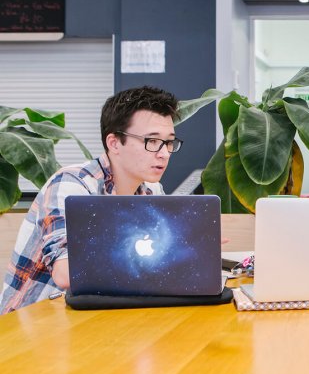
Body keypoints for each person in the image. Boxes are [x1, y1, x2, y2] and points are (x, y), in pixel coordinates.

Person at [0, 86, 181, 314]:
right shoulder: (71, 185)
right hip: (30, 326)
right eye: (152, 141)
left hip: (95, 316)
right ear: (114, 143)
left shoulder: (151, 191)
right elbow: (65, 273)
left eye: (169, 142)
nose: (164, 153)